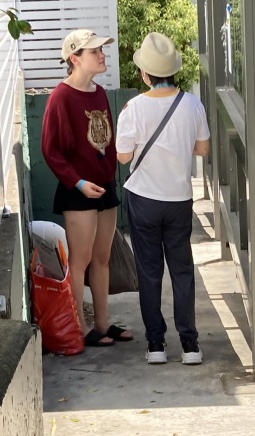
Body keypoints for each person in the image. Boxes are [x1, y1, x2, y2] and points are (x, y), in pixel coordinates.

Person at [116, 32, 211, 365]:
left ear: (145, 73)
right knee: (182, 271)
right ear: (174, 70)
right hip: (179, 199)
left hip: (143, 198)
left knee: (149, 271)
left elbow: (123, 157)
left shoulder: (133, 108)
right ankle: (190, 345)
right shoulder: (192, 104)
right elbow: (202, 148)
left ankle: (156, 344)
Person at [40, 29, 133, 348]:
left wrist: (108, 177)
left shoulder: (100, 93)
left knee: (102, 258)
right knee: (80, 261)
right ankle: (80, 327)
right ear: (75, 58)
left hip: (105, 187)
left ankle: (103, 324)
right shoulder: (60, 97)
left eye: (101, 50)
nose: (102, 55)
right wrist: (78, 182)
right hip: (77, 190)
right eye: (94, 51)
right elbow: (50, 149)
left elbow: (105, 140)